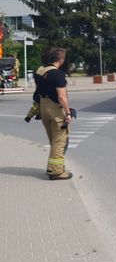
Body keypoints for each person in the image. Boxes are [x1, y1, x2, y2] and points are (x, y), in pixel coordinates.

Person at [34, 47, 73, 180]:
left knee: (53, 140)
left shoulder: (40, 71)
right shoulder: (57, 74)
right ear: (60, 59)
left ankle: (53, 167)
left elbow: (37, 91)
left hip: (44, 107)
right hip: (56, 110)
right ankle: (56, 172)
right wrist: (68, 113)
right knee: (60, 141)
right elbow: (62, 97)